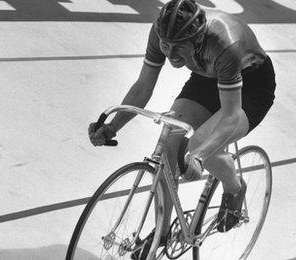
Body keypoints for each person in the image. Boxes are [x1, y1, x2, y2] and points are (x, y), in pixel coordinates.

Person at [87, 0, 276, 258]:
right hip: (207, 76)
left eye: (179, 47)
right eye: (167, 46)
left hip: (251, 85)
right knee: (168, 145)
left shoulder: (225, 42)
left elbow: (230, 116)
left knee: (199, 145)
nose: (172, 54)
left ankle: (234, 187)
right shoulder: (160, 32)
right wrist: (113, 126)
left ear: (197, 39)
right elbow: (143, 86)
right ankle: (161, 236)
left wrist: (197, 155)